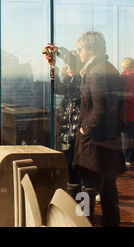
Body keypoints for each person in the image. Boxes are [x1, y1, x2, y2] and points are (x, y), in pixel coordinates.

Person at [73, 31, 126, 227]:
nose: (78, 53)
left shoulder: (95, 72)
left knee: (88, 186)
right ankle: (111, 223)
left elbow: (100, 107)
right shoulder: (107, 68)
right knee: (107, 188)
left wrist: (85, 129)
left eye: (80, 49)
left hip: (95, 142)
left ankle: (83, 223)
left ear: (90, 49)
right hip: (107, 139)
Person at [44, 44, 84, 197]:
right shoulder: (72, 80)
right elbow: (58, 89)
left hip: (77, 129)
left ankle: (83, 207)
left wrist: (59, 51)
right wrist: (53, 68)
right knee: (70, 166)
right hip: (68, 129)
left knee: (78, 168)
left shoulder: (83, 80)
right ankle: (75, 200)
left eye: (71, 64)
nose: (68, 67)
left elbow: (75, 63)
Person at [119, 57, 134, 165]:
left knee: (127, 135)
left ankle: (127, 158)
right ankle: (131, 157)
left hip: (126, 109)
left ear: (125, 66)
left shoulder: (124, 77)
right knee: (132, 134)